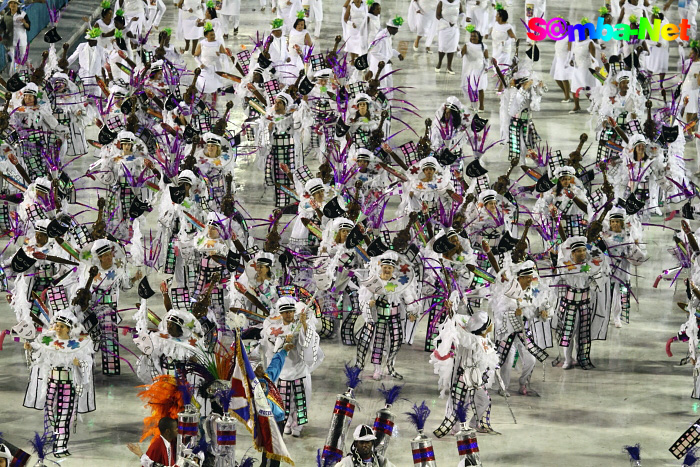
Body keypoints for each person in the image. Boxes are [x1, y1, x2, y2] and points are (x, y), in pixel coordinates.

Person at [435, 0, 463, 74]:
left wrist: (463, 18)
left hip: (454, 28)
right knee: (442, 46)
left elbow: (461, 13)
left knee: (452, 47)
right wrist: (447, 23)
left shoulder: (458, 2)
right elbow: (437, 15)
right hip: (443, 28)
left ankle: (449, 66)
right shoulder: (442, 2)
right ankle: (440, 62)